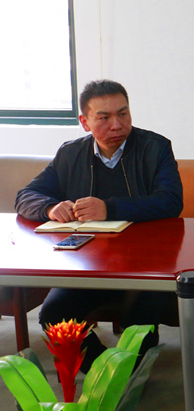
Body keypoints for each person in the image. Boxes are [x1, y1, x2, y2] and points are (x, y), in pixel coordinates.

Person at [16, 79, 183, 373]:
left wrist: (110, 208)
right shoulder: (70, 154)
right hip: (88, 265)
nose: (117, 125)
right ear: (85, 122)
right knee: (54, 314)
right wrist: (49, 208)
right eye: (104, 117)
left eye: (123, 114)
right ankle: (101, 372)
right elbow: (26, 195)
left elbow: (170, 201)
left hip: (147, 263)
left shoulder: (155, 147)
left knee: (139, 318)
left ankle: (129, 374)